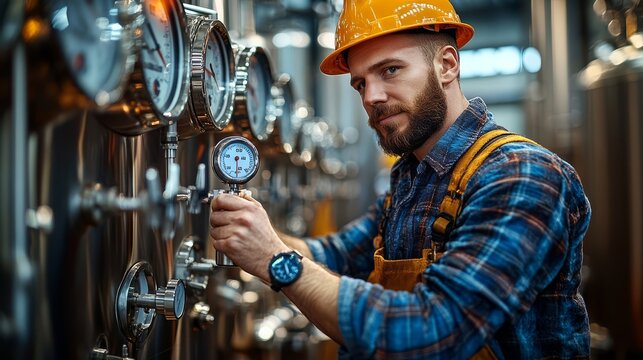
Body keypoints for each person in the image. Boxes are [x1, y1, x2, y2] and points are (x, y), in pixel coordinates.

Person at [209, 0, 591, 358]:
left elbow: (434, 331)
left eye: (390, 70)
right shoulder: (413, 177)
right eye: (360, 83)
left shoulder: (520, 175)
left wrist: (276, 260)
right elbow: (337, 256)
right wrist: (248, 230)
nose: (371, 97)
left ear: (447, 65)